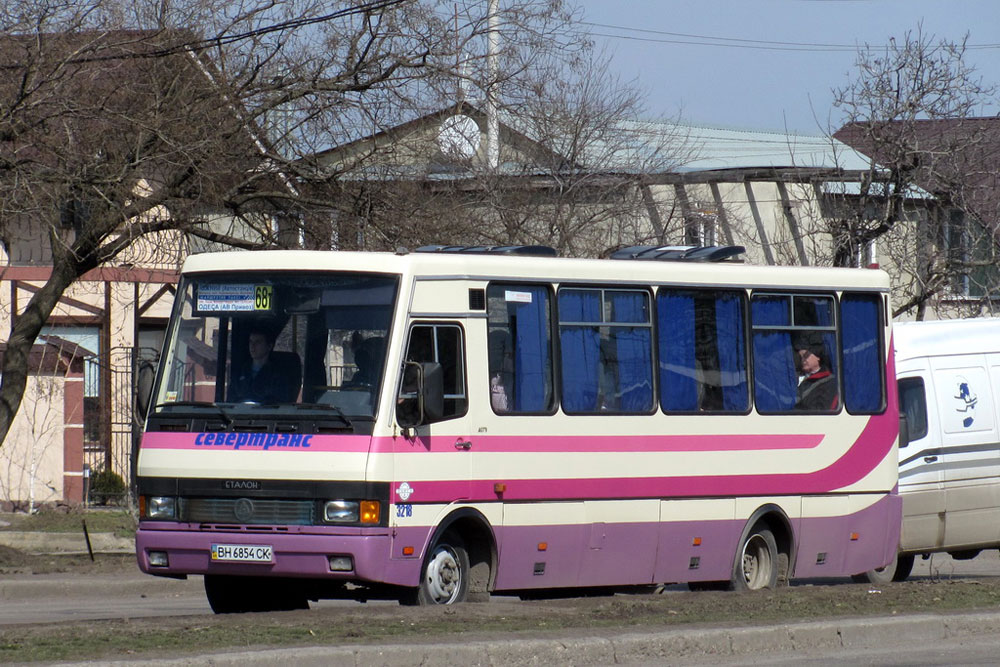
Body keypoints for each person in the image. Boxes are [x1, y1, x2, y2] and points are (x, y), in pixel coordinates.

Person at [229, 329, 296, 403]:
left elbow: (279, 403)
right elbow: (230, 401)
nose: (252, 346)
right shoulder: (239, 372)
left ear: (269, 346)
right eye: (250, 341)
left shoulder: (278, 375)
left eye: (258, 342)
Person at [794, 334, 838, 411]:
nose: (803, 360)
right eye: (801, 357)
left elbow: (821, 409)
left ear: (818, 356)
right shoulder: (797, 378)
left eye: (806, 355)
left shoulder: (829, 382)